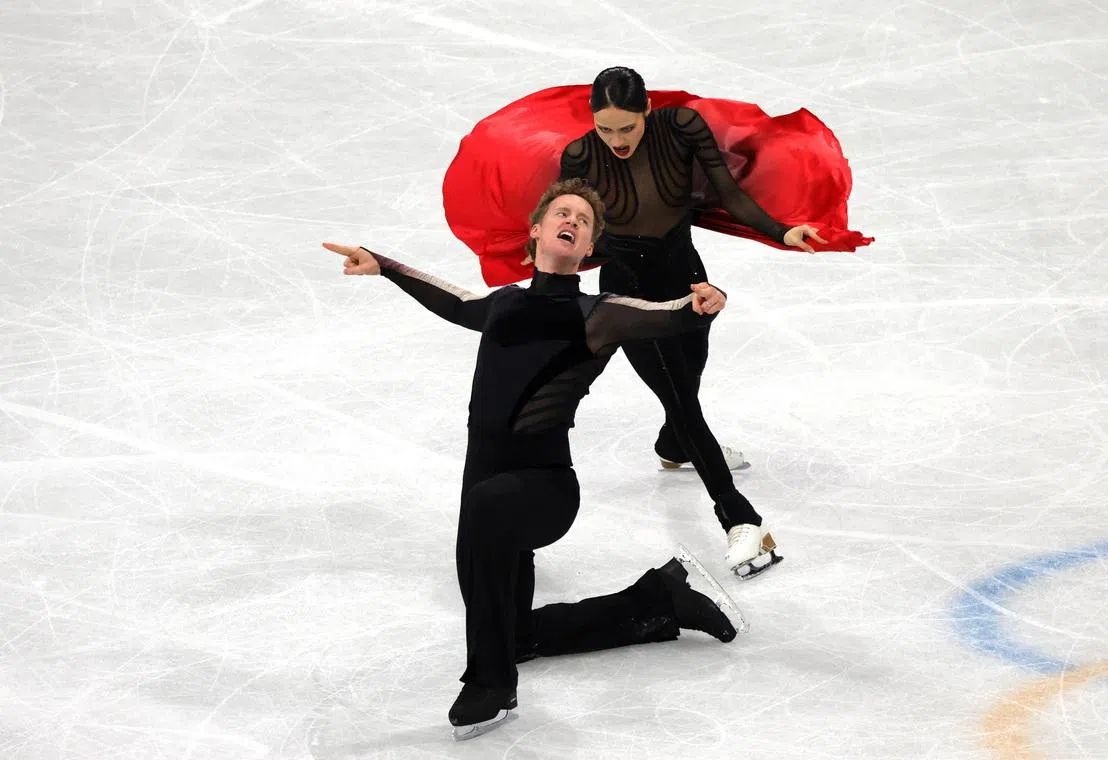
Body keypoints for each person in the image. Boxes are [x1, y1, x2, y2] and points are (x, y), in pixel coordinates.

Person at [321, 177, 746, 741]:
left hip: (542, 491)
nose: (573, 220)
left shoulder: (599, 313)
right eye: (562, 212)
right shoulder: (502, 304)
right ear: (537, 231)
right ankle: (661, 598)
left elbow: (669, 314)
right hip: (489, 496)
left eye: (585, 220)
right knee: (515, 631)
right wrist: (383, 265)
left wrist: (703, 307)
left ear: (589, 246)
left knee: (486, 510)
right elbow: (452, 298)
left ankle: (491, 685)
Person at [442, 68, 870, 578]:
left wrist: (783, 232)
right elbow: (575, 224)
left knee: (688, 376)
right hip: (628, 293)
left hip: (688, 278)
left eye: (627, 127)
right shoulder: (581, 156)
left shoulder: (682, 128)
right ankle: (740, 519)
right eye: (606, 129)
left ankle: (674, 447)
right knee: (682, 400)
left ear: (647, 111)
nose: (617, 140)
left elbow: (730, 196)